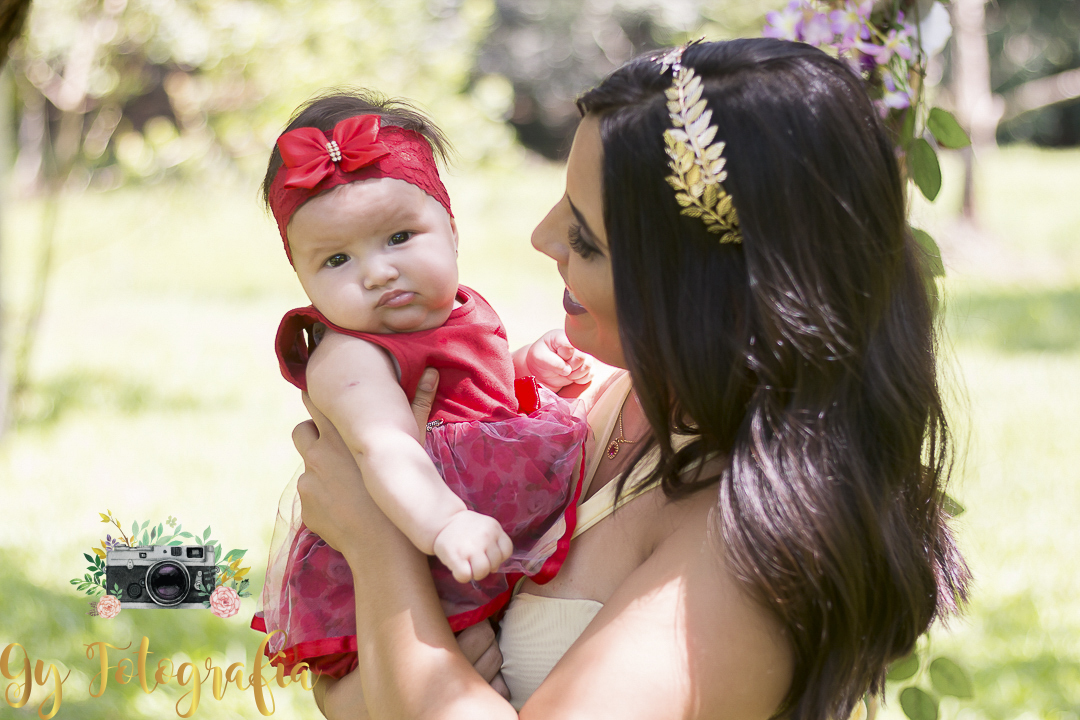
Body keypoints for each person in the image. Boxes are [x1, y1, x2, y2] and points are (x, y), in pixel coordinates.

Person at [293, 39, 969, 720]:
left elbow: (407, 640)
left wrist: (379, 545)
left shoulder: (742, 548)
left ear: (707, 291)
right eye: (562, 201)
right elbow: (372, 675)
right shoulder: (593, 391)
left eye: (586, 238)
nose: (542, 236)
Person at [252, 90, 594, 678]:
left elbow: (464, 387)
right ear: (301, 277)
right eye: (336, 260)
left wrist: (522, 366)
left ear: (451, 230)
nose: (378, 271)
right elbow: (384, 446)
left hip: (470, 528)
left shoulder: (456, 310)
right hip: (417, 535)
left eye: (400, 238)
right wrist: (445, 524)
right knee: (459, 667)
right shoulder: (348, 356)